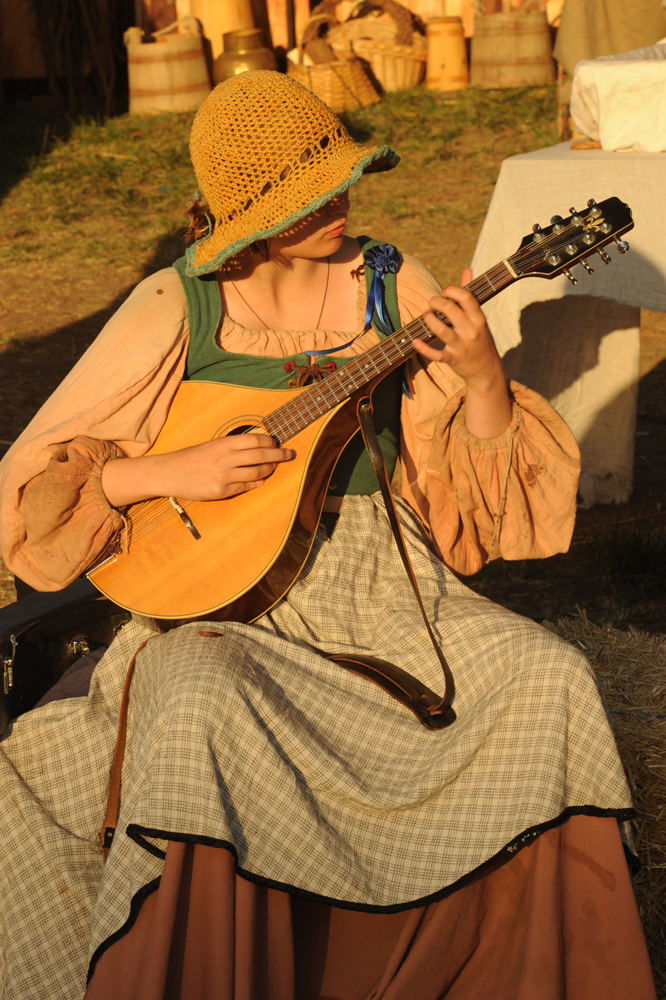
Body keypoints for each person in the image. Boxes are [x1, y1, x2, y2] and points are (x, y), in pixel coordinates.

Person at [0, 71, 656, 1000]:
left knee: (551, 676)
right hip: (220, 601)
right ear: (253, 215)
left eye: (342, 179)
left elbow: (474, 483)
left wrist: (480, 376)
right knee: (192, 706)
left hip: (383, 580)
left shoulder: (393, 284)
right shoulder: (177, 303)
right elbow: (32, 481)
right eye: (311, 195)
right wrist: (160, 473)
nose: (340, 201)